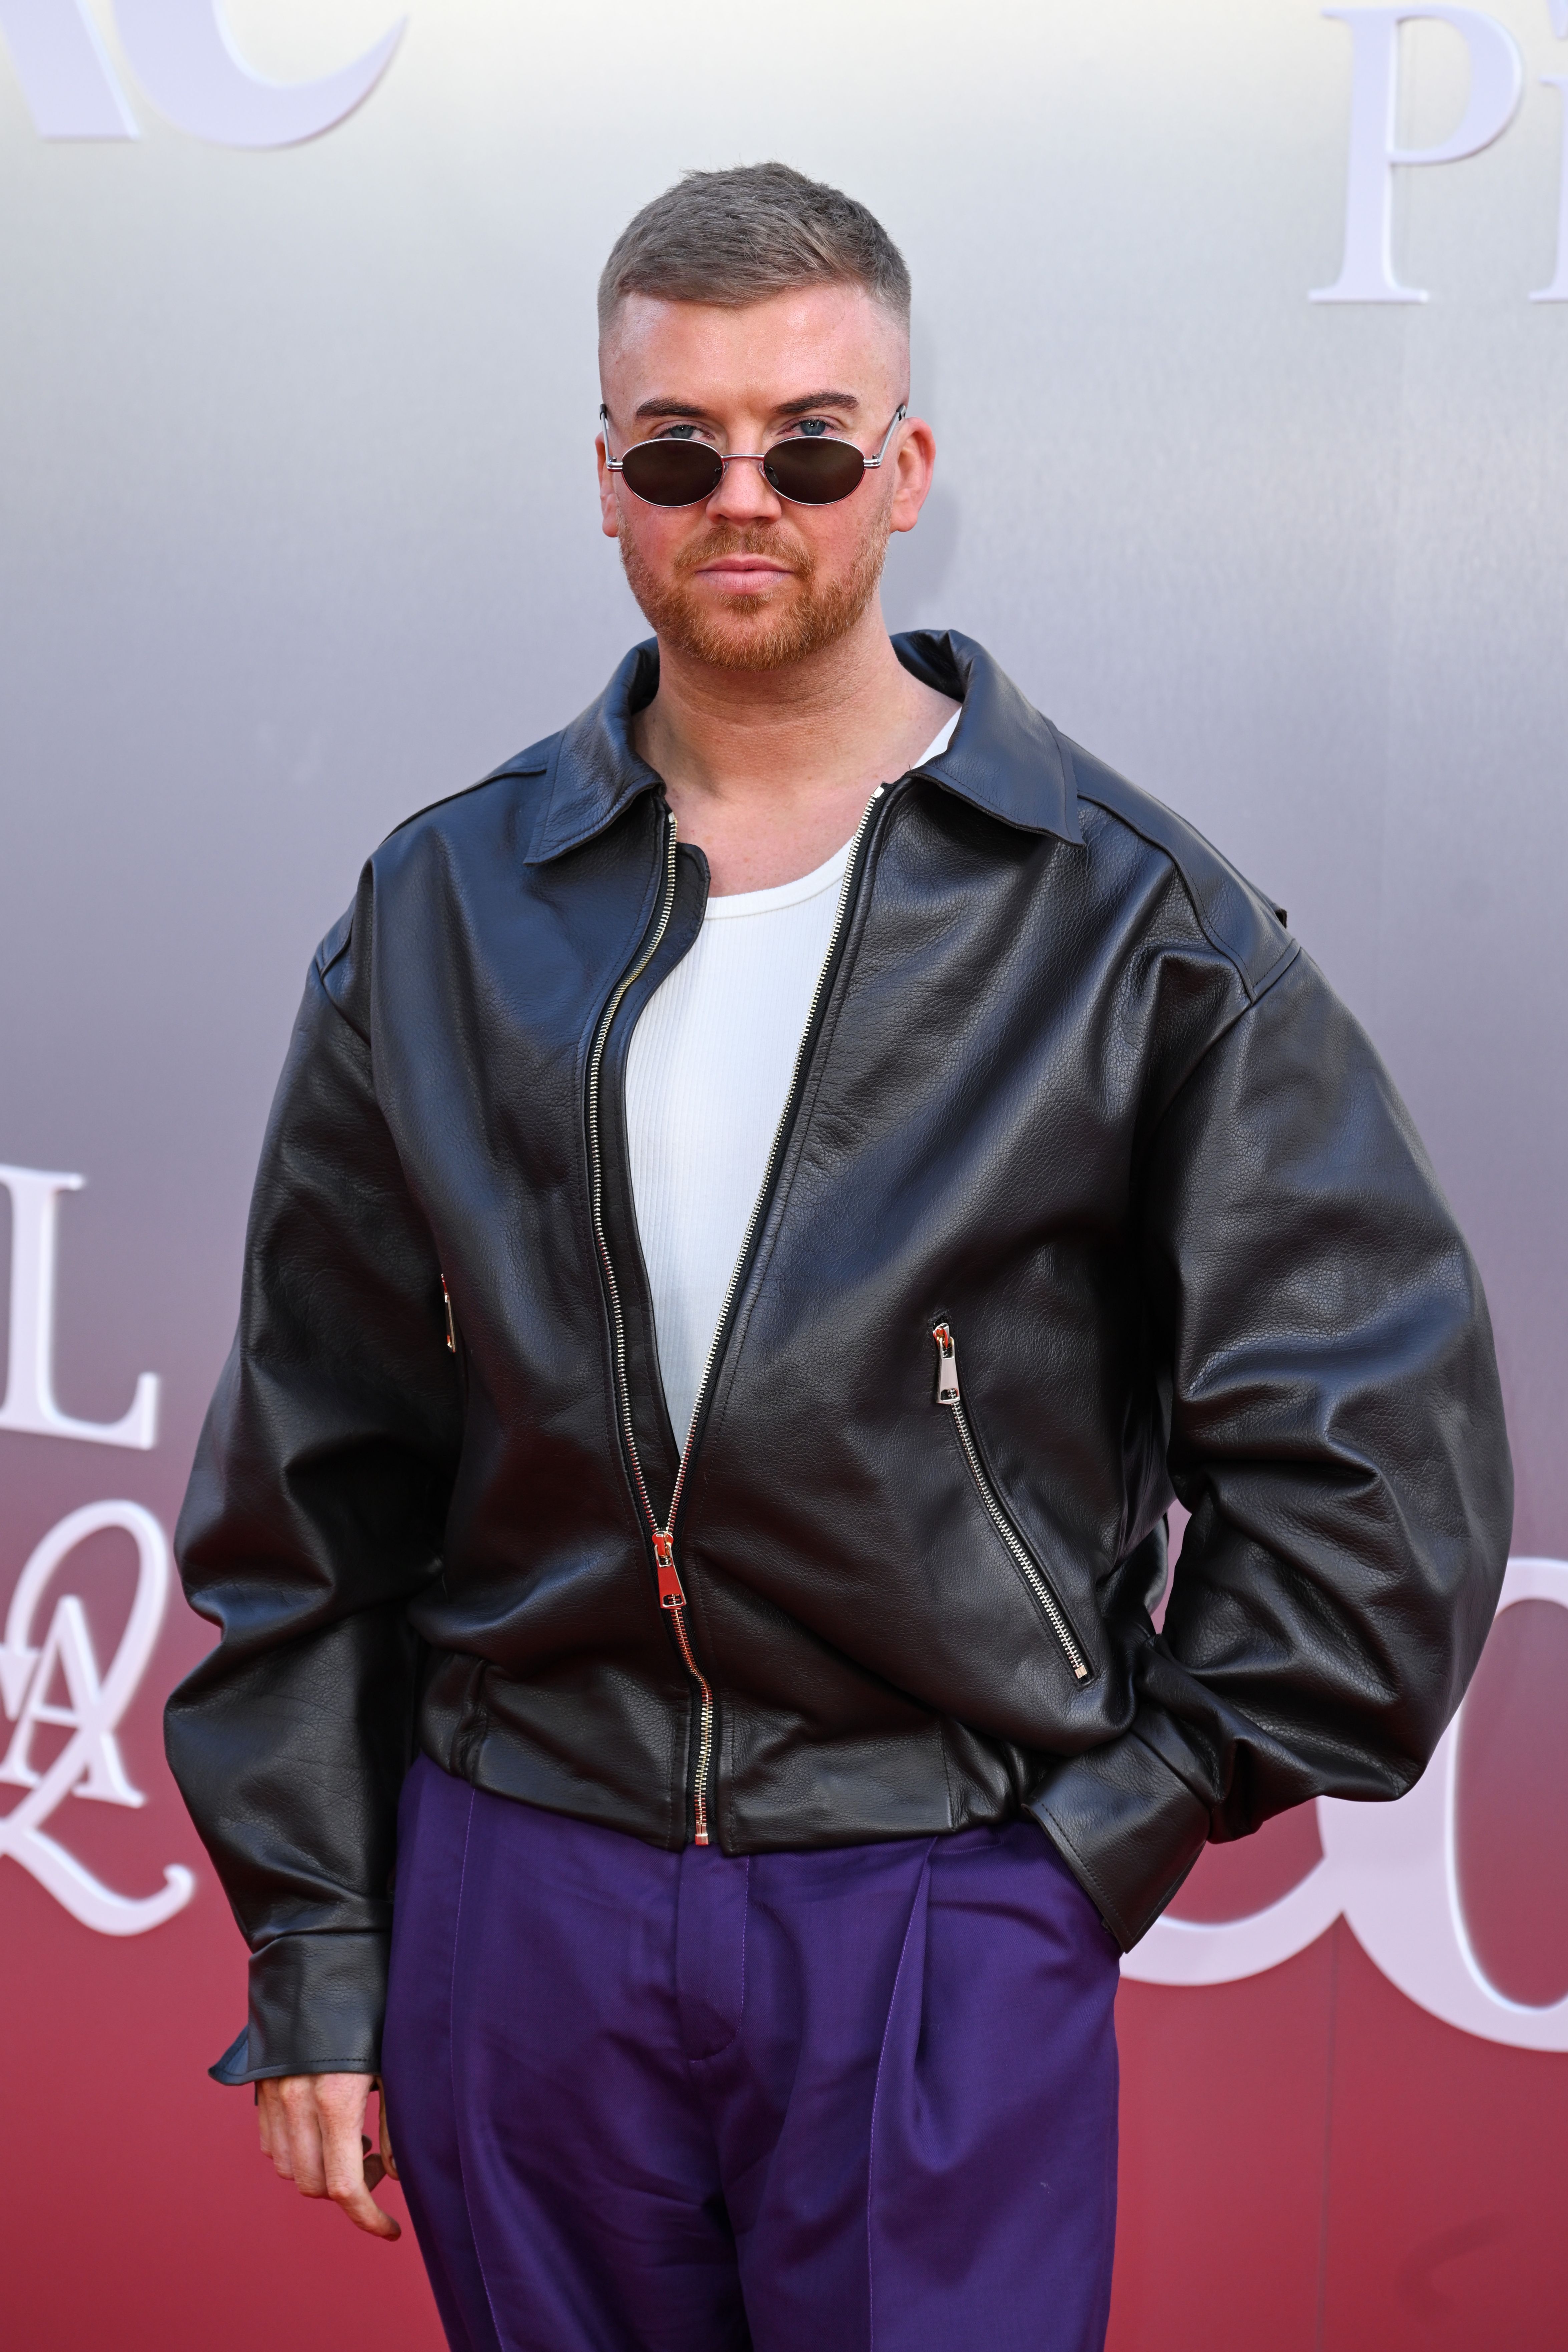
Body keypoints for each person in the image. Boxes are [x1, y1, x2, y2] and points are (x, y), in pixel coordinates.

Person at [166, 163, 1512, 2352]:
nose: (745, 499)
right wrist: (322, 1944)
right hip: (520, 1877)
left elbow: (1383, 1467)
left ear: (904, 470)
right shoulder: (437, 915)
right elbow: (313, 1475)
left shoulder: (1135, 929)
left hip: (932, 1895)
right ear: (607, 479)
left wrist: (1097, 1847)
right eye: (680, 449)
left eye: (808, 444)